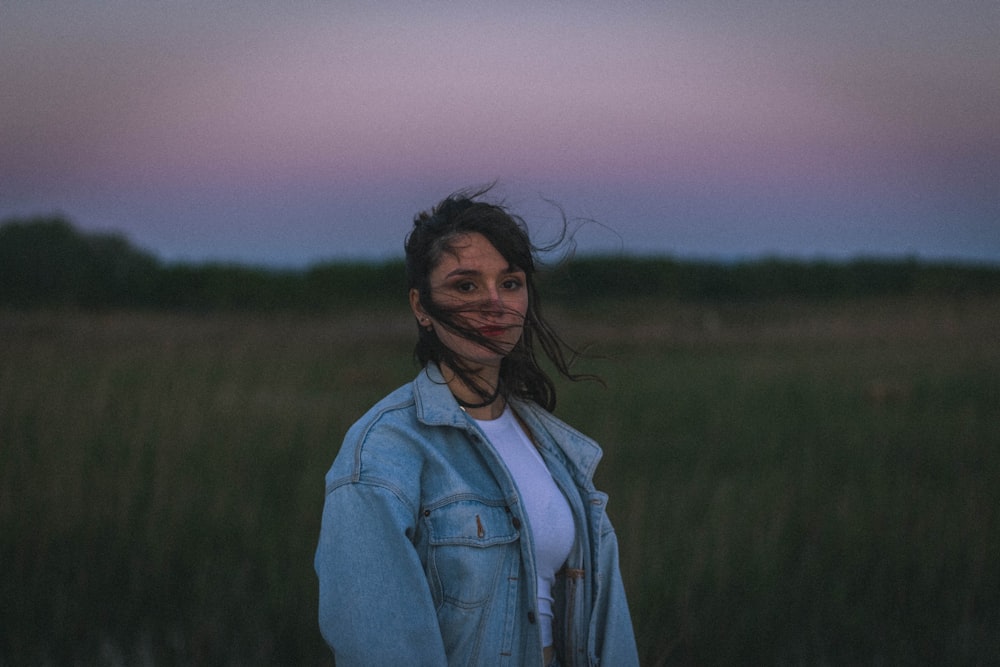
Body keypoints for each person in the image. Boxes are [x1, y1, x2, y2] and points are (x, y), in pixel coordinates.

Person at [315, 188, 639, 666]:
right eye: (465, 286)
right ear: (421, 306)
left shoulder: (552, 444)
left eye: (510, 283)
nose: (495, 303)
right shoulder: (382, 454)